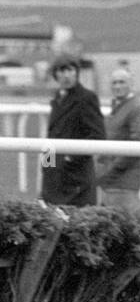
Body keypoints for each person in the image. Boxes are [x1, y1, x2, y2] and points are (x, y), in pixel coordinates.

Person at [41, 55, 106, 207]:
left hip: (76, 178)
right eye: (61, 71)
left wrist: (70, 158)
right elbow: (53, 134)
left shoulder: (87, 98)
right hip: (54, 175)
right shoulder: (58, 98)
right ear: (55, 75)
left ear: (76, 72)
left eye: (69, 70)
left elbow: (98, 135)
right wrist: (46, 166)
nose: (66, 76)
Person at [97, 68, 140, 209]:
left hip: (123, 183)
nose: (117, 86)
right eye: (114, 83)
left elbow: (138, 144)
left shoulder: (136, 108)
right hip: (110, 182)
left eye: (121, 82)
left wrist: (111, 170)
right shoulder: (119, 106)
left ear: (131, 84)